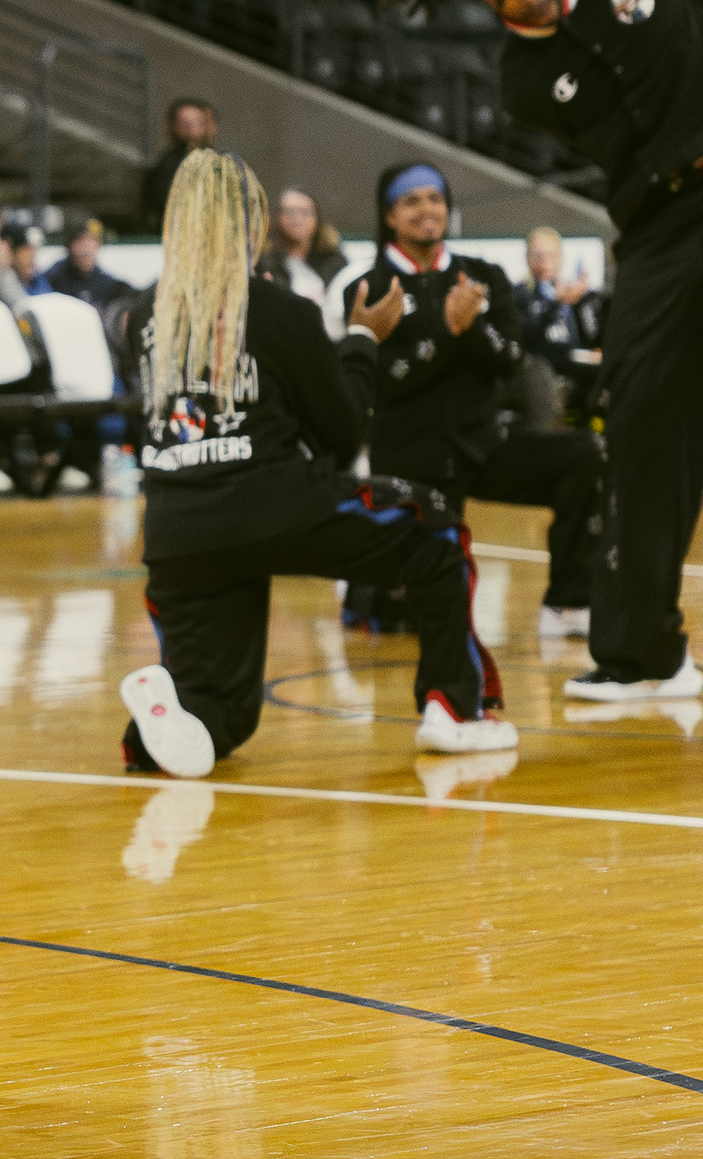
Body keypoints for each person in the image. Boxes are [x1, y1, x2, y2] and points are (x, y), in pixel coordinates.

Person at [376, 0, 703, 700]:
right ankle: (645, 654)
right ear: (489, 4)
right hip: (658, 230)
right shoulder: (524, 84)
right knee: (639, 420)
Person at [117, 150, 514, 779]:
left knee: (224, 712)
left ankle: (160, 729)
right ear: (250, 222)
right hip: (272, 506)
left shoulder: (143, 316)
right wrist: (362, 340)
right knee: (435, 527)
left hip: (176, 534)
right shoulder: (280, 310)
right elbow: (341, 432)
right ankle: (455, 710)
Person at [339, 163, 608, 640]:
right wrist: (448, 334)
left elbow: (511, 361)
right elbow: (387, 382)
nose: (427, 209)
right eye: (412, 201)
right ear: (389, 216)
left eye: (436, 198)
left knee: (585, 454)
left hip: (483, 444)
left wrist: (474, 328)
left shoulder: (483, 276)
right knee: (408, 616)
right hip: (413, 459)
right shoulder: (367, 289)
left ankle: (568, 603)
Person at [513, 224, 606, 418]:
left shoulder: (576, 295)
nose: (544, 262)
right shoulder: (520, 294)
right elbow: (527, 337)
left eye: (551, 255)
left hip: (577, 370)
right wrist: (556, 305)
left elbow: (593, 338)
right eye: (538, 255)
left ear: (560, 258)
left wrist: (582, 305)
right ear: (527, 257)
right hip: (539, 371)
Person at [258, 187, 349, 319]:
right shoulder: (264, 263)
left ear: (317, 218)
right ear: (277, 218)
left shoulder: (335, 261)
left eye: (305, 212)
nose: (297, 218)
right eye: (289, 212)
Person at [141, 98, 219, 228]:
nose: (190, 128)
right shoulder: (166, 166)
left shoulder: (222, 163)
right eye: (184, 123)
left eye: (196, 122)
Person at [40, 211, 130, 311]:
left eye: (91, 241)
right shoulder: (52, 280)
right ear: (69, 245)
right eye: (80, 241)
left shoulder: (107, 284)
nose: (86, 248)